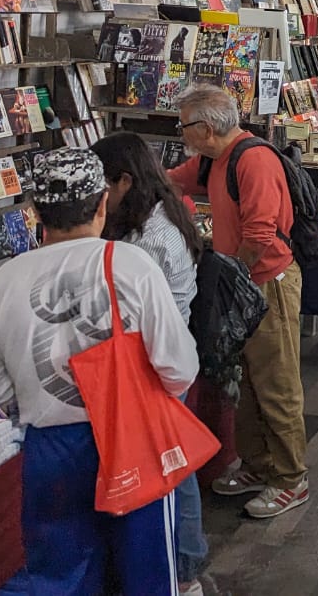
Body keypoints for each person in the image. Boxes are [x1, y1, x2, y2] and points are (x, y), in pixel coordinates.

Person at [0, 148, 197, 595]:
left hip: (49, 449)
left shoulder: (5, 279)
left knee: (58, 575)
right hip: (131, 439)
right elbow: (179, 368)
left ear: (36, 211)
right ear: (102, 202)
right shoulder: (130, 265)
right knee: (145, 575)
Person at [168, 84, 309, 519]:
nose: (180, 132)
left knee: (277, 384)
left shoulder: (253, 160)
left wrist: (234, 278)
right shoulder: (214, 160)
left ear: (205, 128)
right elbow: (170, 181)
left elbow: (261, 234)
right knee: (247, 381)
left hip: (266, 284)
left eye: (183, 125)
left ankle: (290, 478)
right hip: (248, 283)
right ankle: (258, 464)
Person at [92, 133, 207, 593]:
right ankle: (185, 561)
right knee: (175, 462)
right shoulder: (162, 212)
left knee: (171, 468)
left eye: (103, 185)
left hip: (152, 360)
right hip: (164, 352)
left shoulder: (148, 236)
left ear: (123, 180)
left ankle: (182, 565)